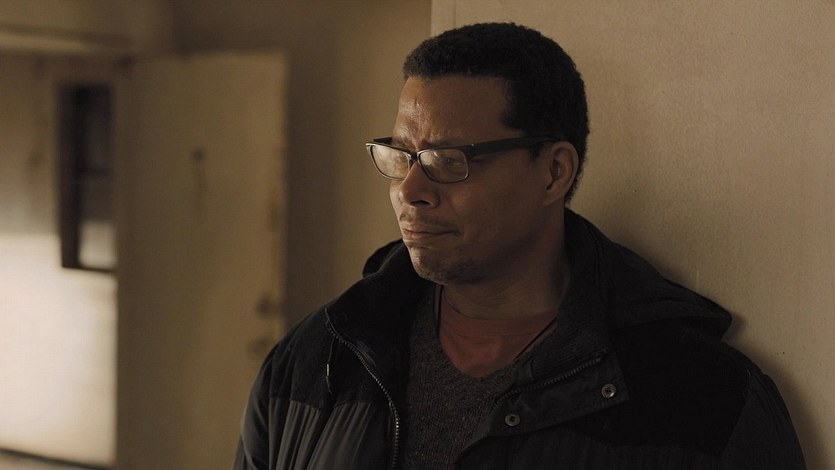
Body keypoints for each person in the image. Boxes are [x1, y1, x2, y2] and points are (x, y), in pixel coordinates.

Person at [232, 23, 806, 469]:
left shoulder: (700, 398)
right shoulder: (316, 361)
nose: (410, 190)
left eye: (447, 161)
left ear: (553, 173)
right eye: (402, 156)